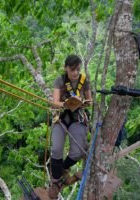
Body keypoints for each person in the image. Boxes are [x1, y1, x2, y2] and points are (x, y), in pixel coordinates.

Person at [48, 54, 92, 199]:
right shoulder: (60, 80)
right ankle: (56, 181)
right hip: (62, 116)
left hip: (77, 116)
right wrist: (66, 104)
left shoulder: (84, 80)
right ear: (65, 68)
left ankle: (64, 168)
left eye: (77, 69)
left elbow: (89, 99)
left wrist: (85, 102)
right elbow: (55, 102)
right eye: (72, 69)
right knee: (56, 149)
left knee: (77, 152)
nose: (75, 73)